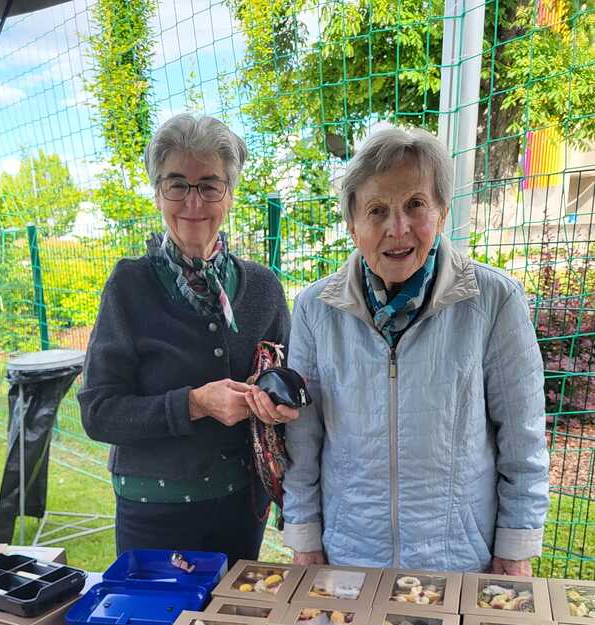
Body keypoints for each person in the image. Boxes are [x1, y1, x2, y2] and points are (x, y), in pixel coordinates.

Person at [282, 125, 549, 574]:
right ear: (352, 227)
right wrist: (304, 535)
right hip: (350, 557)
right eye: (377, 210)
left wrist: (515, 547)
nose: (398, 228)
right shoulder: (315, 308)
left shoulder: (493, 301)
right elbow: (302, 441)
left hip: (457, 561)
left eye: (415, 205)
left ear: (441, 214)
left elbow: (522, 438)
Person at [78, 113, 296, 567]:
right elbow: (98, 413)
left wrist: (278, 403)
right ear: (158, 192)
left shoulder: (263, 289)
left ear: (230, 194)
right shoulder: (130, 287)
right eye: (177, 184)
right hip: (154, 513)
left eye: (209, 185)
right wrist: (194, 404)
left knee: (234, 615)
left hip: (241, 508)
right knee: (159, 616)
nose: (193, 201)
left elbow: (287, 384)